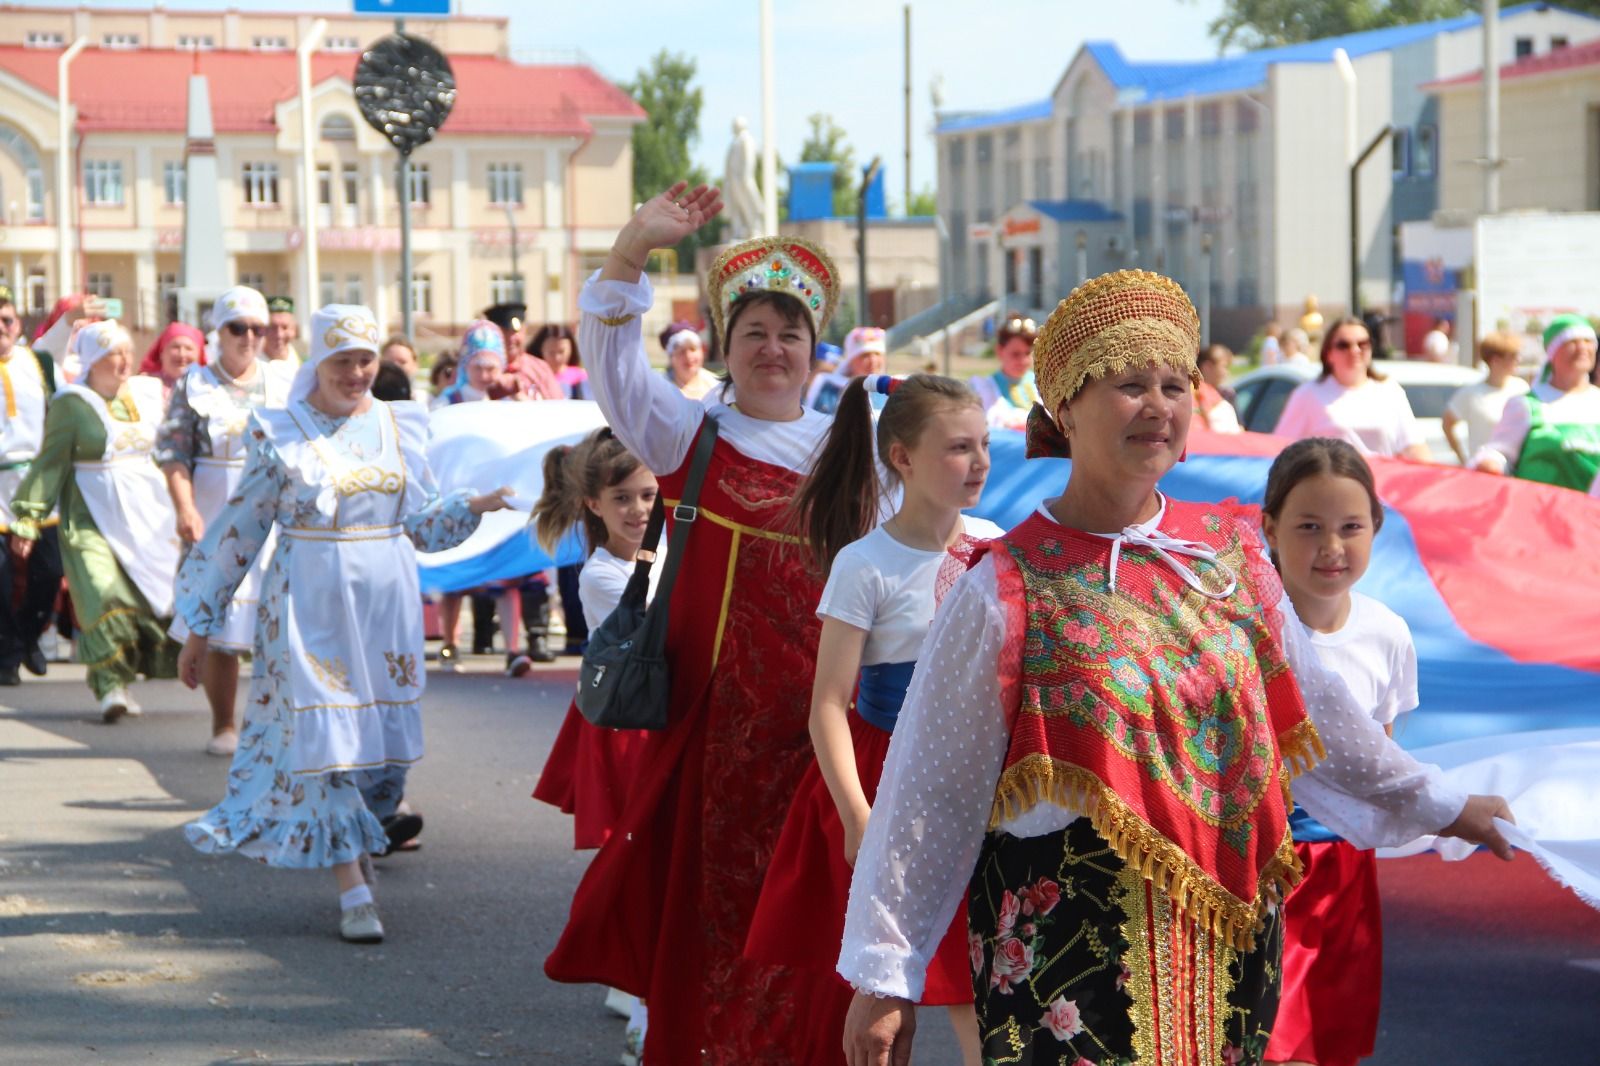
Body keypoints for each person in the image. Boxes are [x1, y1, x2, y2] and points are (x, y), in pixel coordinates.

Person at [836, 269, 1515, 1066]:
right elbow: (931, 786)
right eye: (1129, 384)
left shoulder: (1232, 561)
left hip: (1229, 943)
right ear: (1065, 407)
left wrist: (1441, 801)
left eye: (1173, 383)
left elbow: (1319, 716)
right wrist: (885, 974)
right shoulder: (1004, 584)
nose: (1158, 405)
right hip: (1067, 950)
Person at [544, 182, 856, 1063]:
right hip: (717, 734)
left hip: (820, 735)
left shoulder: (853, 452)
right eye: (753, 332)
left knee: (818, 926)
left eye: (790, 332)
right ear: (726, 345)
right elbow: (610, 360)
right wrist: (634, 246)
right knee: (713, 922)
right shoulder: (688, 435)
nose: (773, 348)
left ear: (813, 349)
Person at [175, 303, 507, 944]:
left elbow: (423, 525)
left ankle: (360, 838)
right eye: (341, 361)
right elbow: (238, 532)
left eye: (365, 359)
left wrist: (474, 505)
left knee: (377, 758)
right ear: (318, 362)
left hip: (386, 613)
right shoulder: (283, 431)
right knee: (325, 750)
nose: (355, 373)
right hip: (307, 611)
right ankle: (352, 887)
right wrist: (200, 626)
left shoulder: (396, 423)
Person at [745, 373, 999, 1066]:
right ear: (902, 457)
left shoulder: (995, 547)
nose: (978, 462)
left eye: (983, 445)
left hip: (976, 778)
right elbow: (828, 701)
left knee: (980, 982)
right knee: (877, 997)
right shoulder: (867, 563)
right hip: (889, 778)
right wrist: (858, 814)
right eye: (957, 447)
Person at [1259, 438, 1417, 1066]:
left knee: (1332, 1037)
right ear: (1269, 528)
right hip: (1259, 867)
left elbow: (1381, 757)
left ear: (1375, 527)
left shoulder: (1387, 633)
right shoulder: (1247, 627)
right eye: (1309, 527)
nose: (1332, 547)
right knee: (1267, 1037)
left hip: (1347, 869)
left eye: (1351, 527)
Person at [530, 428, 662, 1059]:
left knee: (645, 858)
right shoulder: (604, 575)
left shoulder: (661, 554)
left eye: (648, 495)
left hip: (659, 719)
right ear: (593, 504)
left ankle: (627, 978)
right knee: (636, 859)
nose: (638, 510)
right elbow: (673, 625)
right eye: (623, 499)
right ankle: (641, 1000)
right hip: (629, 728)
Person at [11, 320, 180, 720]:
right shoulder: (72, 403)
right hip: (90, 512)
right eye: (110, 355)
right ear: (91, 359)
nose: (122, 362)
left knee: (147, 595)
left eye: (125, 352)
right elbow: (51, 461)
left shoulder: (146, 393)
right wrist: (28, 518)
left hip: (146, 515)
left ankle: (125, 672)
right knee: (101, 591)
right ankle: (110, 687)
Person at [158, 285, 293, 756]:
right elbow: (174, 454)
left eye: (258, 329)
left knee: (280, 621)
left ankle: (278, 724)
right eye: (239, 328)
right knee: (223, 628)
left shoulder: (283, 382)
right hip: (217, 509)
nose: (250, 338)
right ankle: (224, 725)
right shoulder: (195, 384)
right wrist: (186, 506)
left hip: (273, 509)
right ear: (219, 331)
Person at [429, 322, 542, 674]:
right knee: (456, 574)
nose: (485, 374)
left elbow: (535, 429)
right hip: (461, 493)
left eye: (492, 366)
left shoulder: (511, 397)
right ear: (466, 364)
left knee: (508, 574)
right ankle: (449, 644)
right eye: (478, 366)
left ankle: (512, 649)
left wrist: (519, 397)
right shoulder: (449, 400)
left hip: (503, 497)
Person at [0, 288, 63, 686]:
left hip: (36, 480)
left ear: (17, 324)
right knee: (0, 575)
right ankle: (6, 653)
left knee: (49, 572)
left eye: (6, 320)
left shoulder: (36, 361)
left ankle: (27, 636)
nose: (0, 329)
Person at [1471, 315, 1600, 492]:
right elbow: (1499, 453)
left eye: (1588, 341)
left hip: (1591, 516)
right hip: (1539, 513)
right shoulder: (1527, 405)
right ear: (1553, 353)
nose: (1582, 348)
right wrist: (1490, 461)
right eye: (1572, 341)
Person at [1273, 318, 1430, 461]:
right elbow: (1280, 450)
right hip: (1330, 489)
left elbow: (1414, 447)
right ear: (1328, 354)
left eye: (1363, 344)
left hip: (1382, 488)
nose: (1355, 350)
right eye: (1344, 345)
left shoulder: (1390, 390)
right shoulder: (1307, 395)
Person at [1442, 331, 1530, 466]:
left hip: (1516, 469)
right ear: (1495, 360)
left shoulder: (1521, 388)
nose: (1518, 360)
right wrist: (1462, 458)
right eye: (1512, 356)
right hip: (1483, 470)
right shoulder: (1471, 393)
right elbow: (1447, 424)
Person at [969, 314, 1039, 430]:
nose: (1023, 360)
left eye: (1027, 353)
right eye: (1015, 354)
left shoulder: (1040, 385)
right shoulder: (985, 388)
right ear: (1000, 351)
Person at [486, 301, 563, 400]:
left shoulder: (539, 369)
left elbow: (557, 407)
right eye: (504, 332)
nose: (511, 338)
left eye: (515, 331)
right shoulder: (482, 371)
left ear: (525, 331)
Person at [805, 326, 888, 414]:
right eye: (865, 355)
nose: (873, 361)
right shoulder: (830, 388)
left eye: (877, 354)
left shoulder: (888, 390)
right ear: (851, 360)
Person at [138, 322, 206, 406]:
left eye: (188, 348)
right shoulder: (143, 386)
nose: (182, 354)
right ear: (162, 353)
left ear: (199, 355)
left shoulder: (209, 388)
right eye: (175, 347)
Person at [660, 321, 718, 400]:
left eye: (693, 349)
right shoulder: (660, 387)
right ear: (671, 357)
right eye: (682, 351)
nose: (688, 356)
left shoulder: (715, 385)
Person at [528, 323, 588, 400]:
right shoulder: (533, 376)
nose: (557, 358)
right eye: (551, 352)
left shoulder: (581, 378)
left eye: (561, 352)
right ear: (540, 350)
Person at [1196, 342, 1242, 433]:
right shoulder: (1190, 393)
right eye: (1224, 367)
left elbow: (1240, 427)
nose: (1227, 373)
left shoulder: (1227, 395)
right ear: (1207, 367)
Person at [380, 335, 428, 403]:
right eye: (390, 362)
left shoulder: (426, 401)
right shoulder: (369, 402)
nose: (396, 367)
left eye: (402, 362)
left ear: (415, 365)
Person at [264, 296, 301, 366]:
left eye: (285, 327)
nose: (279, 335)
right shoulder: (250, 367)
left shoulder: (304, 365)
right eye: (272, 327)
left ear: (295, 330)